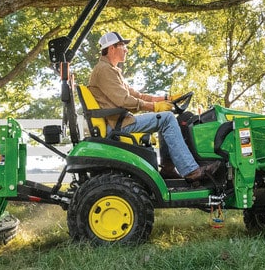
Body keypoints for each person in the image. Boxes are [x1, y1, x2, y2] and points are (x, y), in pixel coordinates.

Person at [87, 31, 220, 181]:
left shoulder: (111, 70)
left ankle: (168, 168)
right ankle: (191, 171)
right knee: (167, 118)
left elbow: (138, 95)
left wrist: (165, 98)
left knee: (167, 119)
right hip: (119, 124)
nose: (126, 50)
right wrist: (154, 107)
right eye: (123, 46)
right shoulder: (104, 70)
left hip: (119, 121)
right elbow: (124, 100)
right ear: (111, 48)